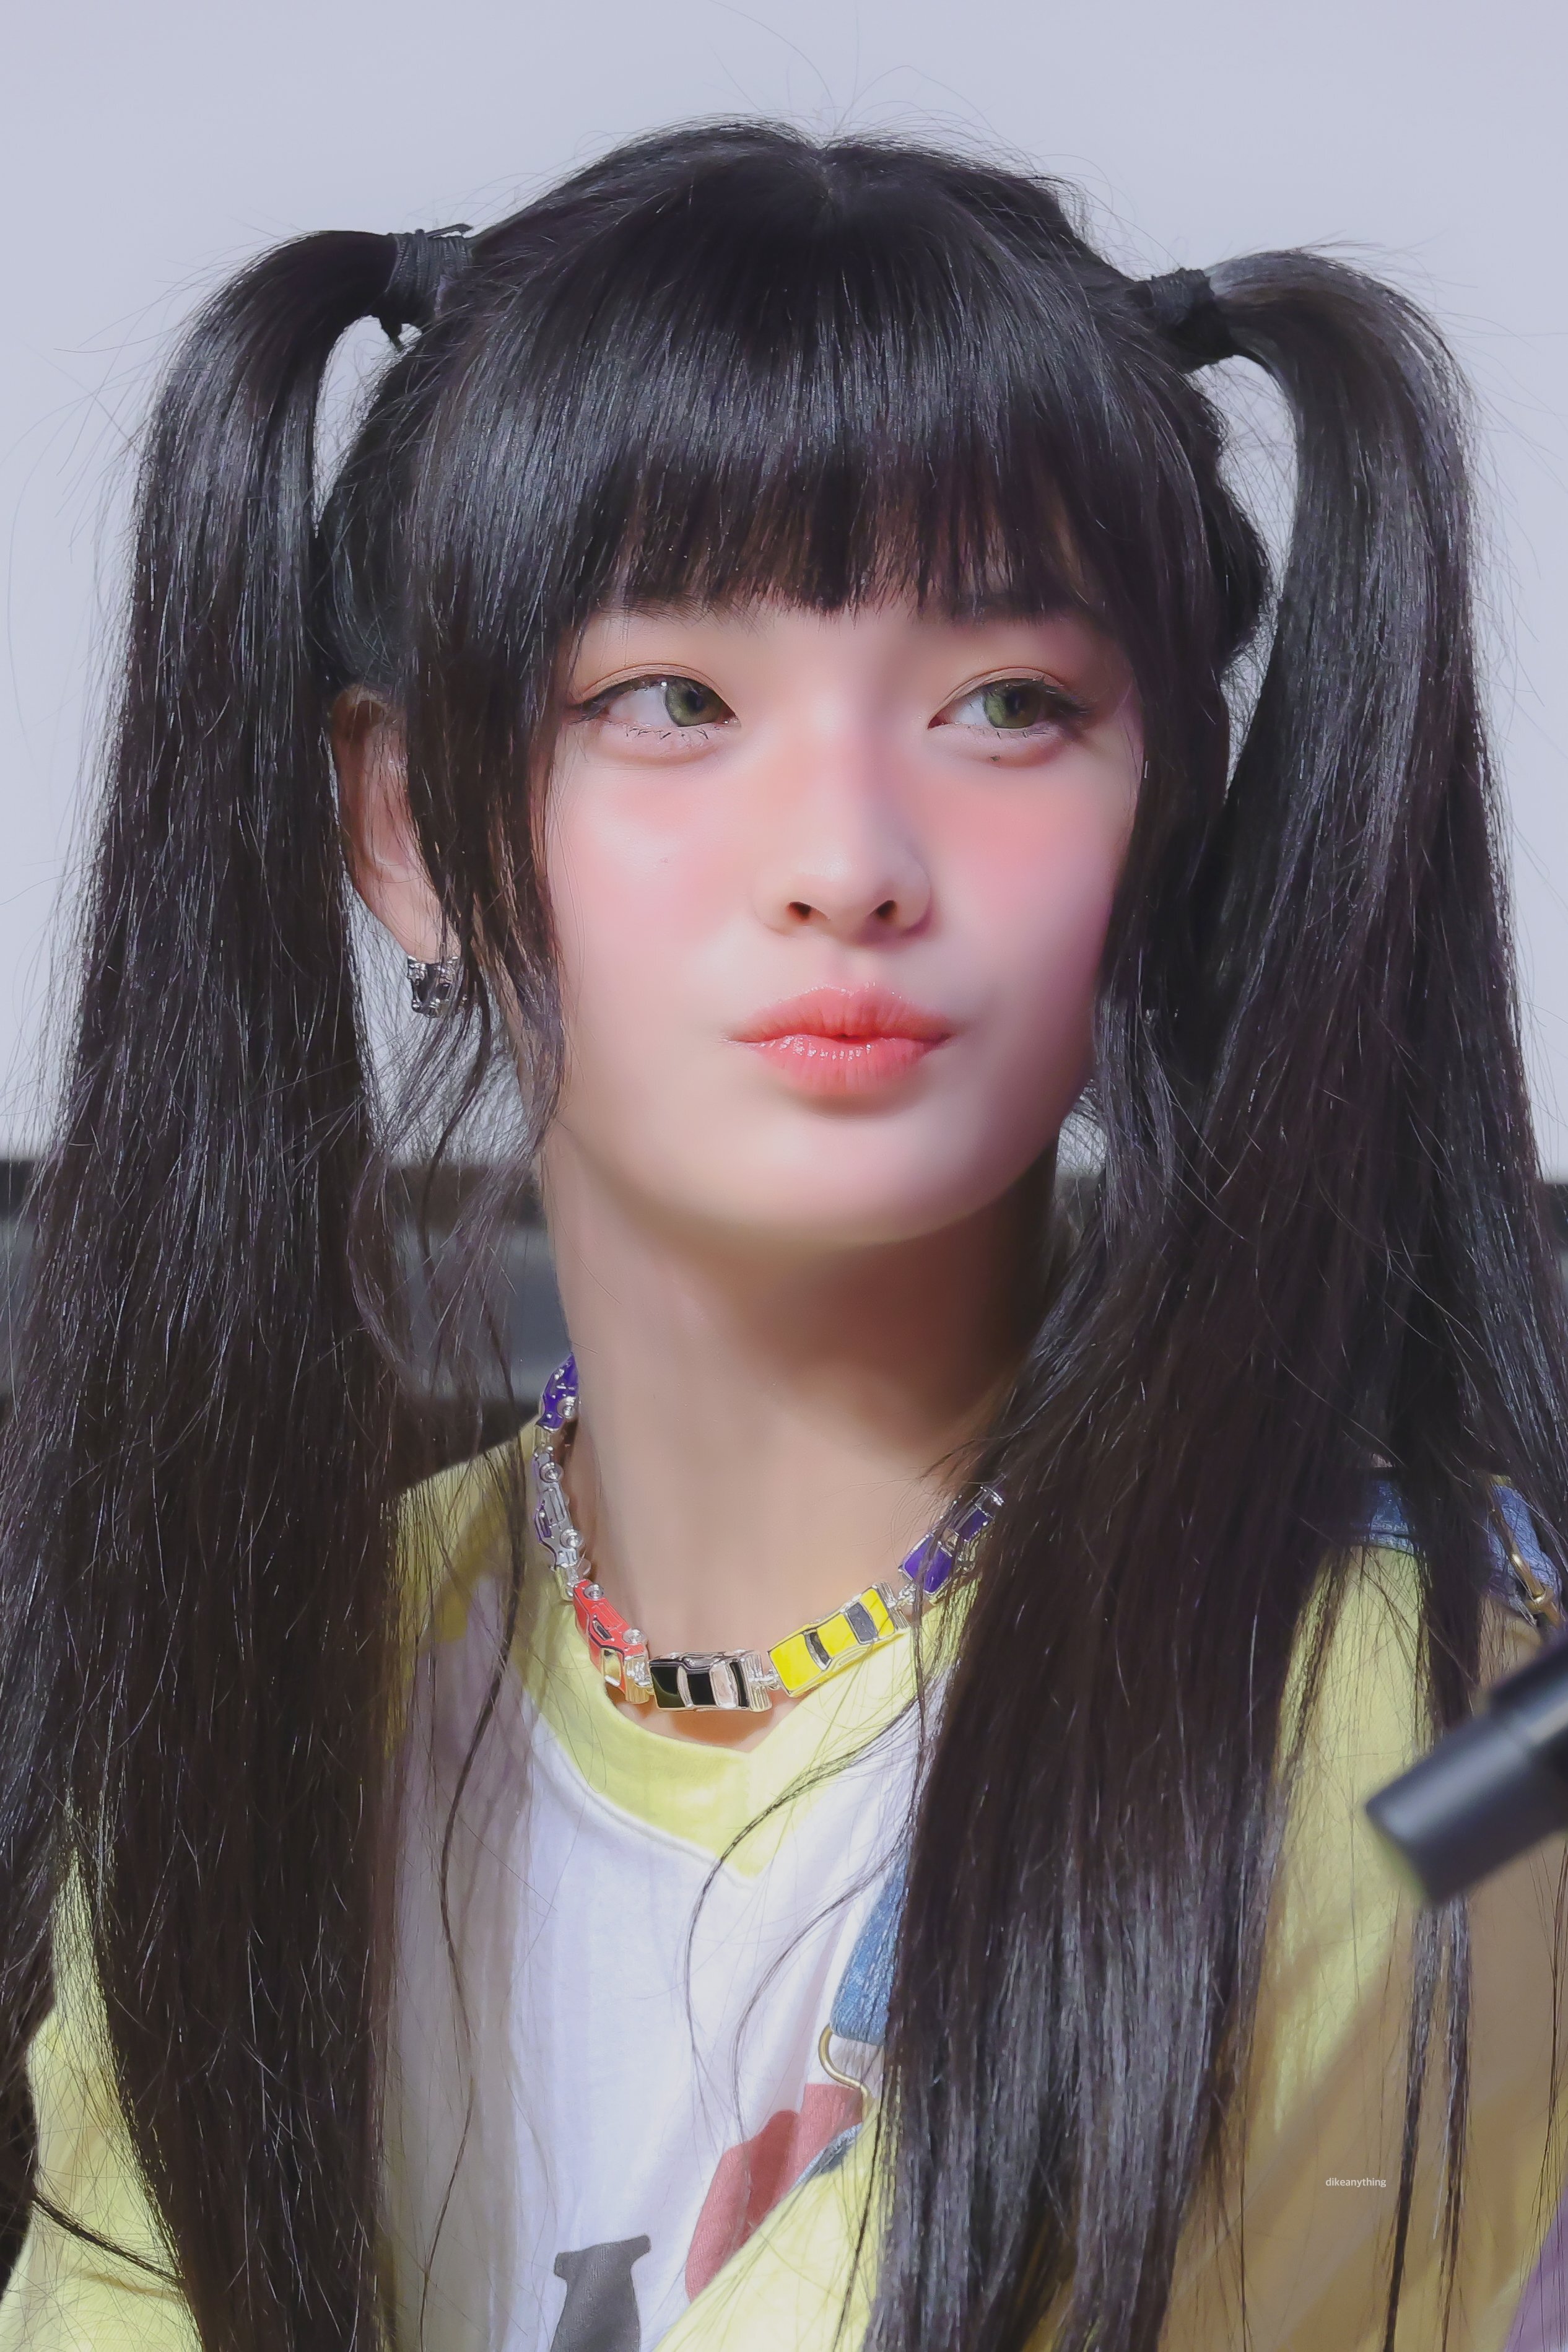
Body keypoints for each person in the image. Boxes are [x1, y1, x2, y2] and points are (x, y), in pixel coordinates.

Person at [1, 119, 1565, 2352]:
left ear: (1170, 821)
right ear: (405, 825)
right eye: (672, 702)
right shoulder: (276, 1677)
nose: (847, 856)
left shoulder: (1457, 1719)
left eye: (1007, 706)